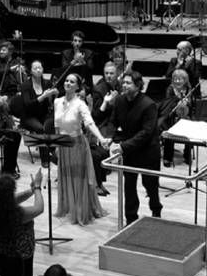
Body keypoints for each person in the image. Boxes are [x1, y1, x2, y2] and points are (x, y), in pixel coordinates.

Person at [54, 73, 109, 226]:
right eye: (66, 81)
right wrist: (57, 145)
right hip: (63, 144)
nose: (68, 83)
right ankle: (69, 208)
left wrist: (101, 138)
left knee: (78, 179)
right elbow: (57, 126)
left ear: (78, 87)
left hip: (77, 144)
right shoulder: (57, 101)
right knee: (66, 177)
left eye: (72, 82)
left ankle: (80, 210)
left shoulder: (80, 104)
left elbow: (89, 124)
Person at [108, 71, 162, 225]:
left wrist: (123, 146)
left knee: (150, 185)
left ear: (138, 86)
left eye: (128, 83)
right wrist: (109, 137)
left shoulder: (148, 104)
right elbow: (113, 121)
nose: (124, 85)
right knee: (129, 186)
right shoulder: (119, 100)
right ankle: (131, 219)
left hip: (147, 151)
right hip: (130, 151)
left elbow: (146, 133)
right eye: (123, 82)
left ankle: (156, 210)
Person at [0, 169, 44, 276]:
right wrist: (37, 187)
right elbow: (39, 208)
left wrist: (31, 191)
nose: (14, 194)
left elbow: (11, 200)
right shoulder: (16, 215)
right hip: (20, 258)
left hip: (1, 254)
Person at [20, 60, 58, 166]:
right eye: (35, 68)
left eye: (40, 68)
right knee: (41, 129)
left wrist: (56, 94)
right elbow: (28, 105)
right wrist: (43, 96)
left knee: (53, 123)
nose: (38, 70)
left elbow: (52, 101)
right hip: (29, 116)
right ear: (30, 71)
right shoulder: (25, 85)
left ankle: (55, 153)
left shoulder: (47, 83)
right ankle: (45, 159)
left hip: (43, 114)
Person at [90, 61, 120, 196]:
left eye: (111, 73)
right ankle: (99, 182)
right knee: (102, 149)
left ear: (117, 74)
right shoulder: (99, 89)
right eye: (106, 73)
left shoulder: (120, 86)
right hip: (104, 122)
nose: (109, 76)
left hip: (119, 121)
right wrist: (106, 103)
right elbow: (96, 115)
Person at [160, 69, 192, 168]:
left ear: (185, 80)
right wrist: (177, 102)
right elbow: (167, 105)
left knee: (190, 129)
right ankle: (167, 157)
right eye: (175, 79)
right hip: (170, 115)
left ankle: (187, 154)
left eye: (180, 79)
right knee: (170, 129)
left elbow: (191, 106)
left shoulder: (188, 89)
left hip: (184, 115)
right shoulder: (170, 89)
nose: (177, 81)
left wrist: (187, 103)